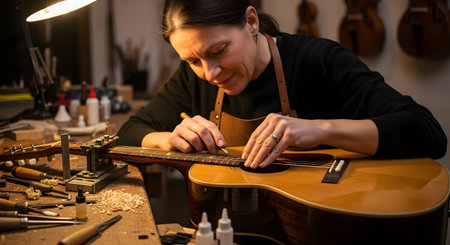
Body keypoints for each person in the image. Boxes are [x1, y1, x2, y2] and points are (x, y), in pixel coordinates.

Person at [117, 0, 447, 169]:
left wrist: (321, 130)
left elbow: (427, 132)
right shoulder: (193, 76)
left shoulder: (318, 59)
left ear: (250, 21)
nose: (210, 73)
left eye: (218, 51)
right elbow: (129, 132)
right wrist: (167, 138)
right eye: (193, 61)